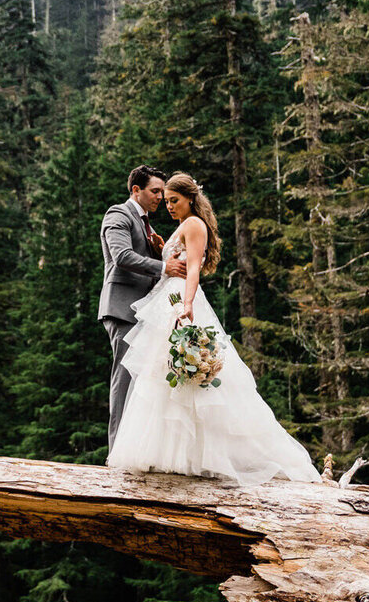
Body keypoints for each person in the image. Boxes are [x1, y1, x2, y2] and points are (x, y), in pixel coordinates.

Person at [107, 172, 322, 484]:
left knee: (182, 379)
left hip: (180, 299)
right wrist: (162, 247)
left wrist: (188, 303)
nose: (168, 206)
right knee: (163, 379)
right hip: (167, 299)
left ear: (191, 199)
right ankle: (171, 455)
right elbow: (177, 258)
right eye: (166, 201)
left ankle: (195, 455)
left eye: (174, 200)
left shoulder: (194, 224)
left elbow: (193, 267)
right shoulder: (184, 225)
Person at [99, 165, 187, 448]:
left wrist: (157, 249)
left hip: (143, 310)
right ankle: (116, 452)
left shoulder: (145, 223)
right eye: (155, 191)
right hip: (123, 307)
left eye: (162, 192)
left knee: (142, 379)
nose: (160, 197)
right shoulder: (118, 214)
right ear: (135, 190)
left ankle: (135, 447)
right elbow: (122, 255)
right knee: (124, 378)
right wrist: (165, 265)